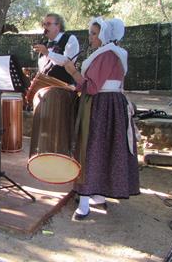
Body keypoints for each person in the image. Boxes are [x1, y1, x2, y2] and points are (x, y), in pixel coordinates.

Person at [63, 17, 140, 220]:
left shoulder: (107, 55)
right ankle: (97, 194)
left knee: (90, 148)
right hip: (111, 106)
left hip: (101, 106)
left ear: (105, 35)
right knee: (103, 148)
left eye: (94, 33)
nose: (91, 37)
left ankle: (85, 202)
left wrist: (72, 72)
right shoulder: (114, 53)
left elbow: (92, 87)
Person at [32, 13, 80, 84]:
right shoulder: (45, 44)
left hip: (64, 87)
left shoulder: (69, 39)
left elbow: (68, 62)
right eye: (44, 24)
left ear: (58, 26)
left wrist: (47, 53)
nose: (45, 27)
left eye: (48, 24)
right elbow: (43, 69)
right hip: (46, 87)